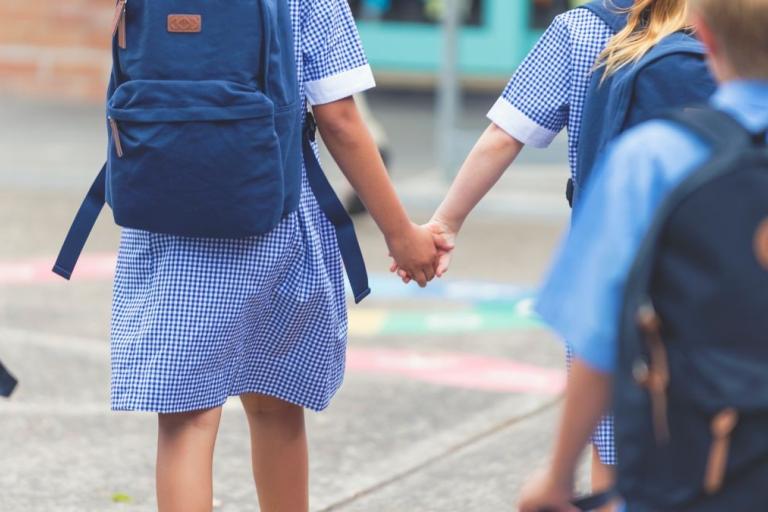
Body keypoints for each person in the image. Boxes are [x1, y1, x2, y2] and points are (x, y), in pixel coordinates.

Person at [110, 1, 445, 511]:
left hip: (168, 213)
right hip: (274, 212)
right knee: (276, 406)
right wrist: (401, 234)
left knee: (187, 420)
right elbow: (340, 119)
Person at [399, 0, 702, 503]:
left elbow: (504, 135)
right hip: (721, 274)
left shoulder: (579, 31)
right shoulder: (723, 25)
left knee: (616, 457)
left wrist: (444, 222)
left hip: (617, 277)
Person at [518, 0, 768, 509]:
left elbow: (598, 332)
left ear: (704, 37)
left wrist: (559, 477)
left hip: (700, 454)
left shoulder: (653, 156)